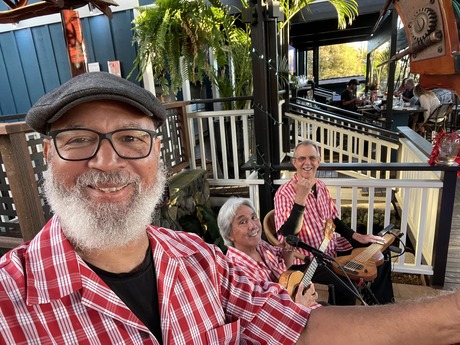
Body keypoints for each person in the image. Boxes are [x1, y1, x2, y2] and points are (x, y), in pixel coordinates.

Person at [1, 72, 460, 345]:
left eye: (130, 138)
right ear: (48, 156)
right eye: (78, 140)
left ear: (156, 154)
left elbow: (299, 328)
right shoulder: (9, 304)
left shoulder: (202, 263)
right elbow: (286, 235)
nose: (106, 161)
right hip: (301, 263)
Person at [274, 140, 386, 305]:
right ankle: (338, 323)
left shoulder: (320, 186)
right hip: (308, 259)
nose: (307, 163)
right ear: (294, 163)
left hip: (331, 247)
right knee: (347, 286)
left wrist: (355, 236)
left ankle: (379, 304)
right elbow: (288, 235)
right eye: (302, 158)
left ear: (318, 162)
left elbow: (332, 219)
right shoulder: (284, 193)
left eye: (312, 158)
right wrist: (301, 199)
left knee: (377, 253)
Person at [217, 197, 319, 308]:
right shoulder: (237, 271)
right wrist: (300, 305)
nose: (253, 225)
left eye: (253, 217)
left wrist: (288, 253)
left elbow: (285, 275)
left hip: (299, 305)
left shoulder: (261, 246)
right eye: (243, 222)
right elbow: (268, 312)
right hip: (290, 317)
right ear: (229, 234)